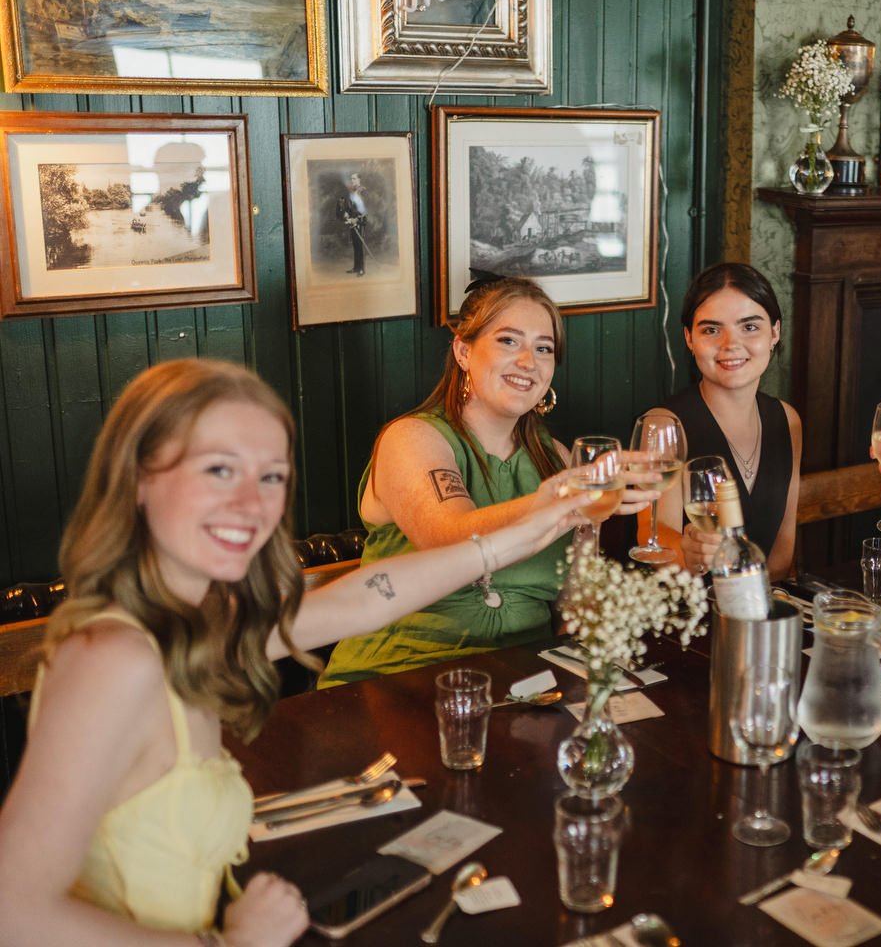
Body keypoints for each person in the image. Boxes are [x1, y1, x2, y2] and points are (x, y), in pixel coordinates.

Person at [0, 358, 587, 946]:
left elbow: (365, 601)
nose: (251, 503)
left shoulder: (197, 620)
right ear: (140, 478)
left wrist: (539, 522)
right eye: (219, 470)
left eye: (272, 477)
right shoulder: (112, 657)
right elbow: (15, 912)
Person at [320, 276, 654, 686]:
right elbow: (448, 539)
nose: (528, 361)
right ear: (463, 350)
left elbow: (575, 602)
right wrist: (555, 501)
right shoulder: (413, 438)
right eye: (508, 341)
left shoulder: (561, 459)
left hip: (526, 680)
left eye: (544, 348)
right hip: (398, 675)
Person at [639, 263, 802, 580]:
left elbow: (783, 548)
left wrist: (762, 608)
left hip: (759, 607)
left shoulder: (788, 420)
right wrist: (691, 555)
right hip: (688, 612)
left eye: (750, 327)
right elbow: (652, 534)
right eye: (711, 330)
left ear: (775, 332)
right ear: (689, 338)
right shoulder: (664, 426)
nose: (730, 344)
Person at [336, 173, 367, 277]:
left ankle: (361, 269)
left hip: (360, 222)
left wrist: (356, 219)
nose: (352, 181)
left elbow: (364, 210)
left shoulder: (362, 192)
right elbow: (351, 208)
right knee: (355, 245)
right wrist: (346, 214)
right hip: (353, 222)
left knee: (359, 245)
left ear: (359, 180)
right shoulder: (353, 193)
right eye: (351, 179)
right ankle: (356, 268)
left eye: (354, 179)